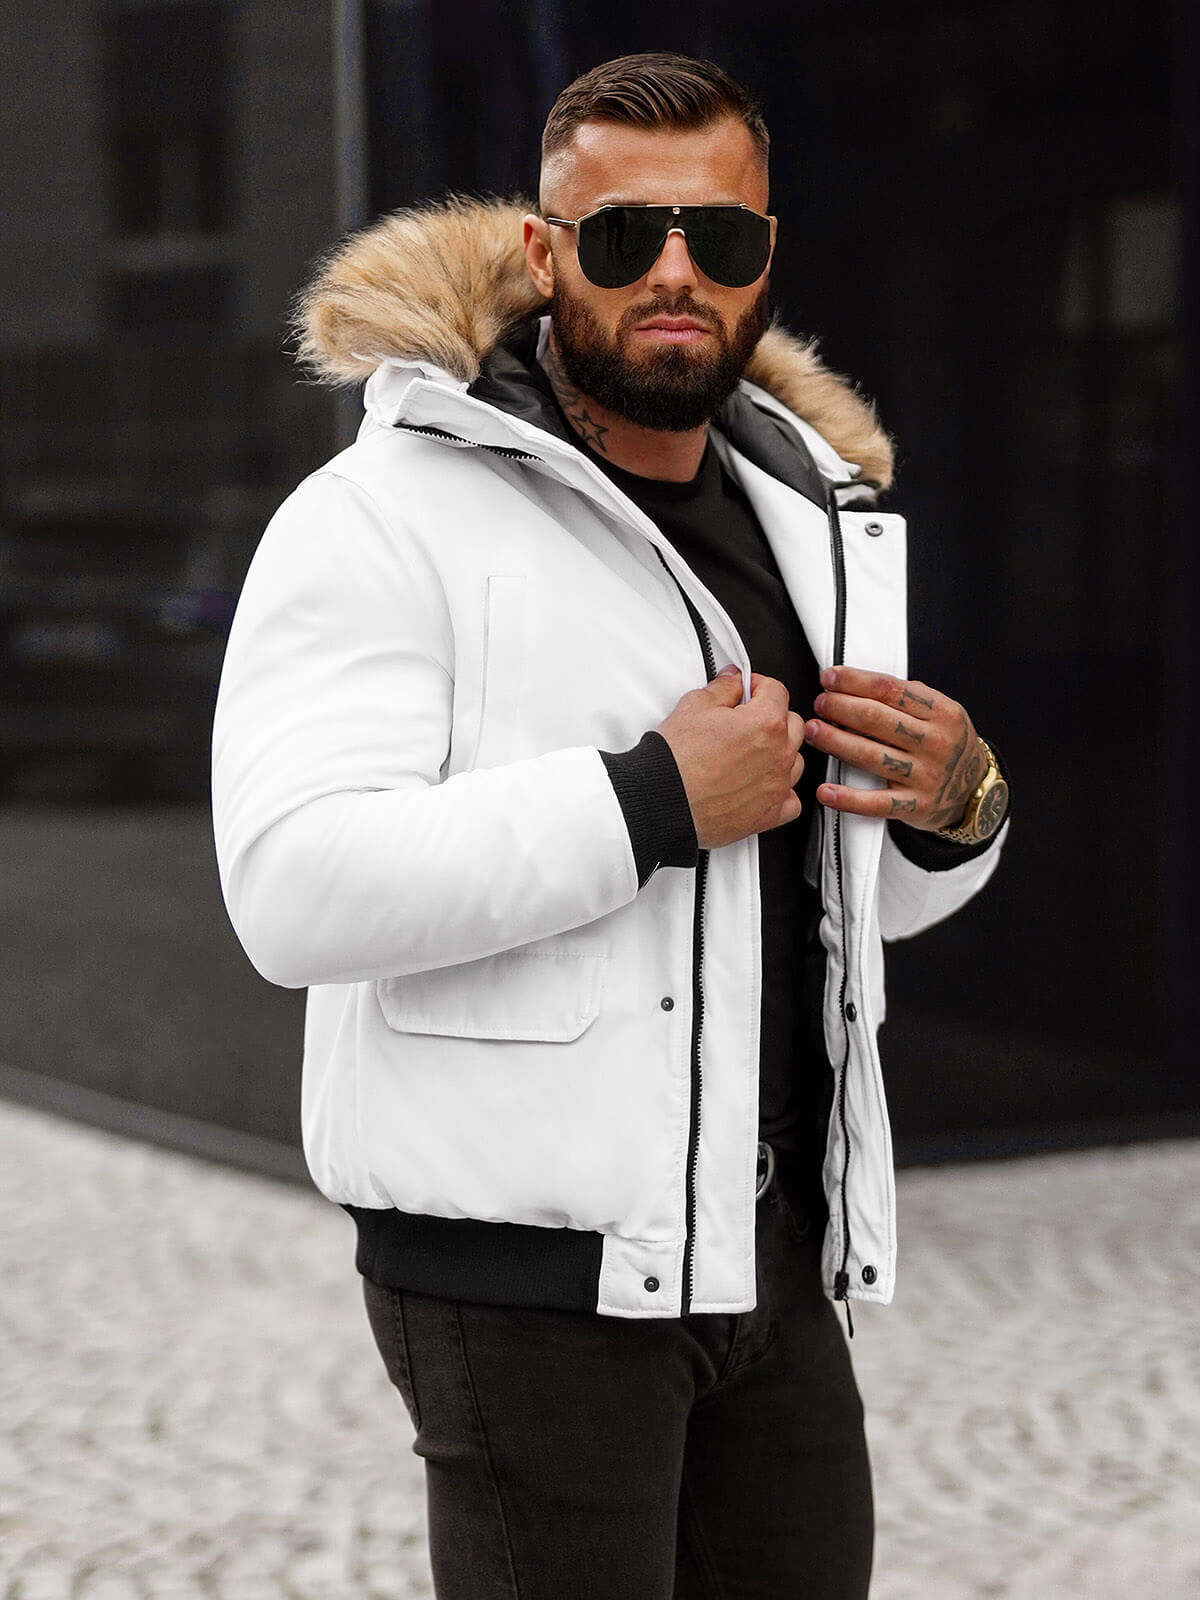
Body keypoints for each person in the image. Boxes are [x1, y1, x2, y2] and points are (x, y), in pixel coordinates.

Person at [211, 50, 1011, 1600]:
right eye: (626, 234)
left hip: (772, 1252)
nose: (675, 275)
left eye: (722, 238)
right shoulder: (384, 514)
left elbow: (839, 900)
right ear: (542, 249)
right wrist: (650, 799)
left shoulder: (812, 518)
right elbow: (292, 889)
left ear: (766, 258)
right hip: (530, 1272)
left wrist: (952, 812)